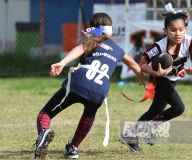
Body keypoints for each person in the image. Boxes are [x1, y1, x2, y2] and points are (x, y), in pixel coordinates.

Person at [33, 12, 147, 159]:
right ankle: (73, 148)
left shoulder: (91, 40)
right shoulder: (118, 49)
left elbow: (80, 49)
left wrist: (63, 62)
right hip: (99, 91)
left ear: (92, 28)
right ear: (111, 29)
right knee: (89, 114)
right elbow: (132, 63)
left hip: (79, 82)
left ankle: (43, 132)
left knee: (46, 113)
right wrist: (144, 81)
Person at [119, 3, 192, 152]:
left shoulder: (189, 41)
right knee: (178, 108)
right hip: (160, 79)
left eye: (181, 30)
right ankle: (147, 128)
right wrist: (157, 74)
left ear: (185, 30)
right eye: (173, 30)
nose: (177, 34)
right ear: (165, 31)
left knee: (153, 112)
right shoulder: (160, 46)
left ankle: (129, 135)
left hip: (172, 80)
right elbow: (142, 64)